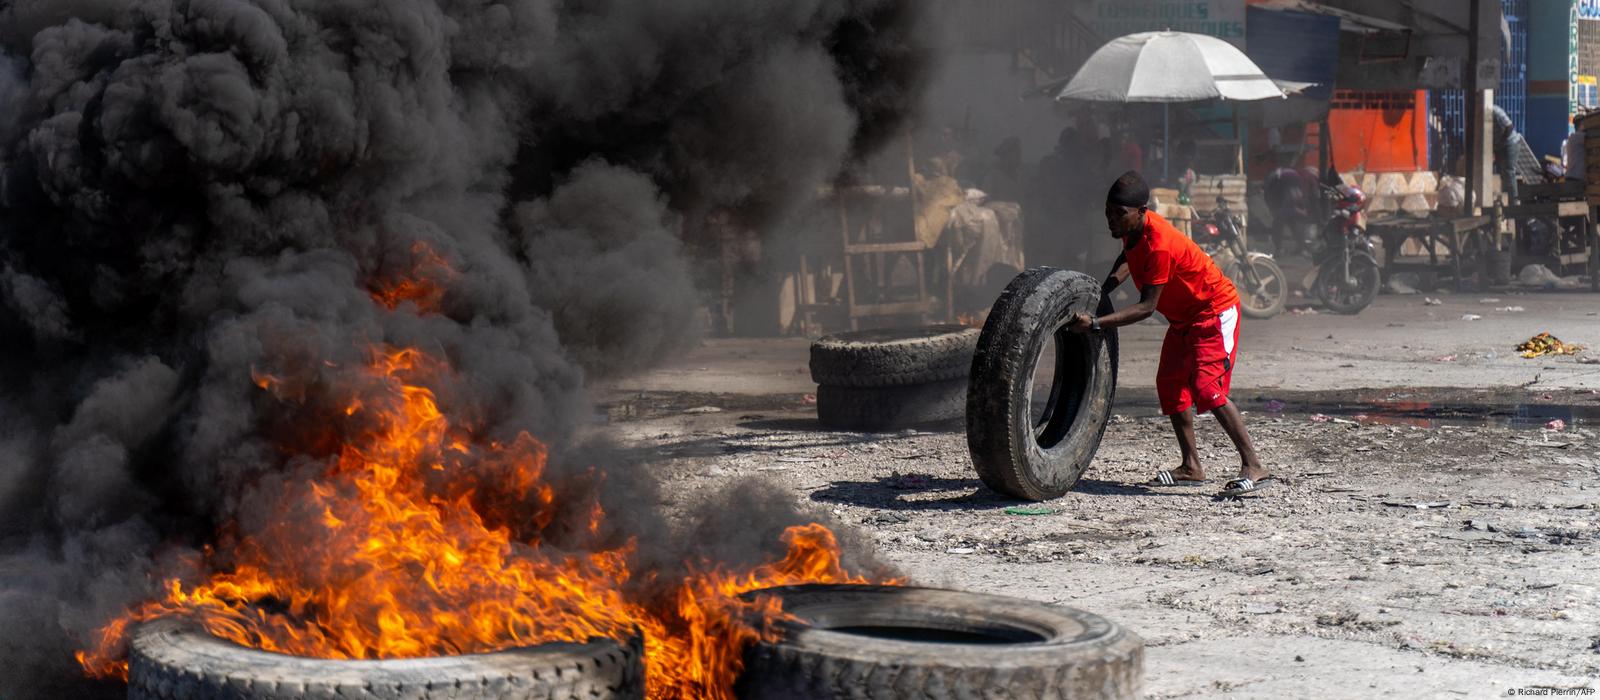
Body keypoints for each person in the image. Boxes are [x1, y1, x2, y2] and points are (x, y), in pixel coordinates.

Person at [1067, 170, 1275, 496]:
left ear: (1141, 211)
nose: (1111, 219)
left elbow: (1146, 307)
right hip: (1184, 320)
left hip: (1213, 312)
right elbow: (1127, 257)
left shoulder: (1159, 244)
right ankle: (1192, 466)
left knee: (1207, 389)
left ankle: (1253, 464)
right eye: (1108, 211)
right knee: (1170, 385)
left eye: (1118, 214)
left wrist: (1095, 323)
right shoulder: (1132, 231)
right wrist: (1104, 289)